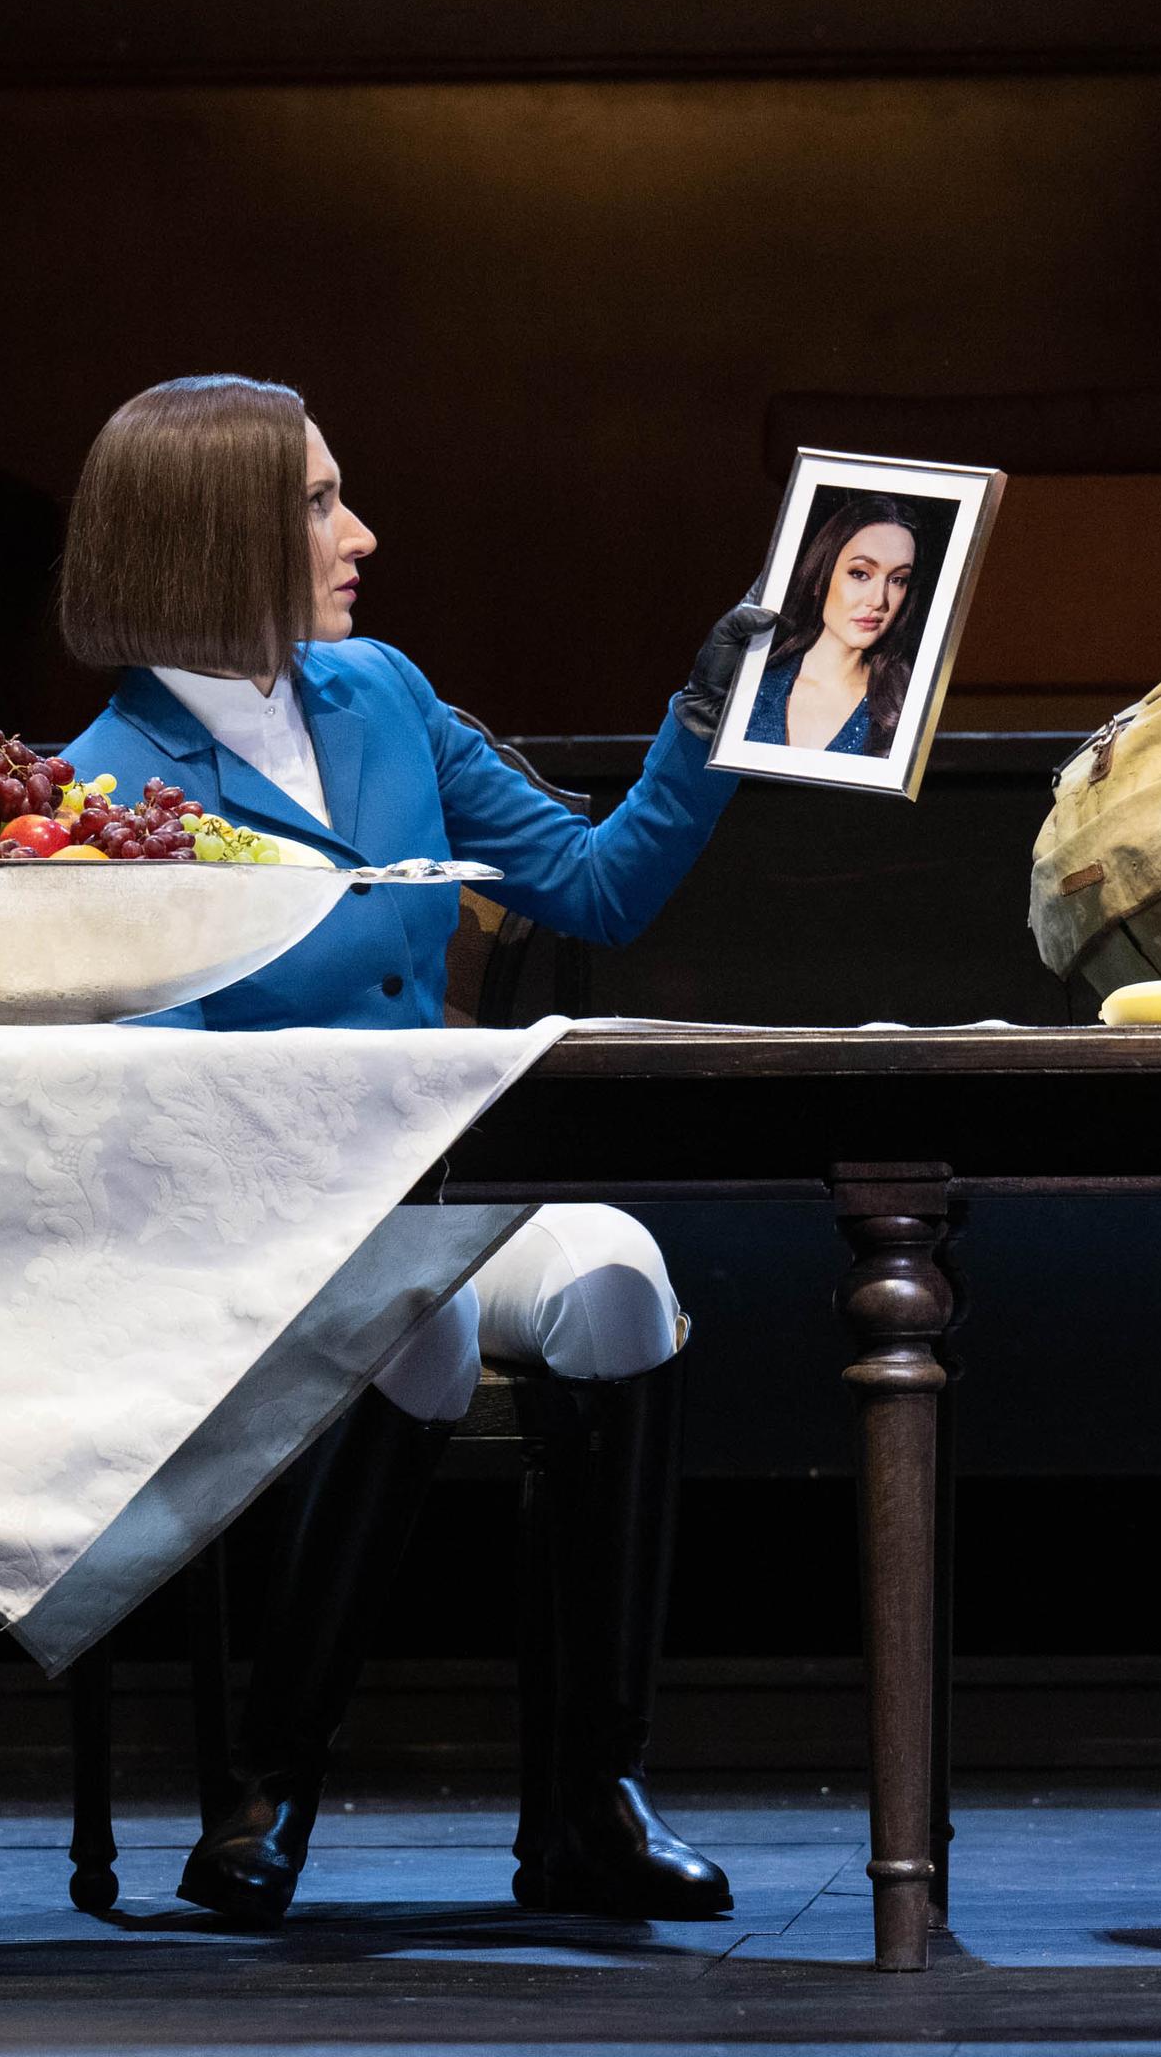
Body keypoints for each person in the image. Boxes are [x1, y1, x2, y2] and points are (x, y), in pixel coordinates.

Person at [56, 373, 769, 1927]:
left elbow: (592, 886)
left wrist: (712, 716)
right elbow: (142, 1084)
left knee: (623, 1284)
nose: (358, 534)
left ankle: (593, 1799)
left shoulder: (379, 692)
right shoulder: (109, 786)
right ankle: (270, 1780)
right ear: (215, 534)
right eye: (318, 503)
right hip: (255, 1214)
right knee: (421, 1320)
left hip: (437, 1177)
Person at [740, 496, 924, 755]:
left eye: (897, 580)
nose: (878, 600)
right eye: (860, 574)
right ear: (819, 577)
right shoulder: (749, 687)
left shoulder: (907, 707)